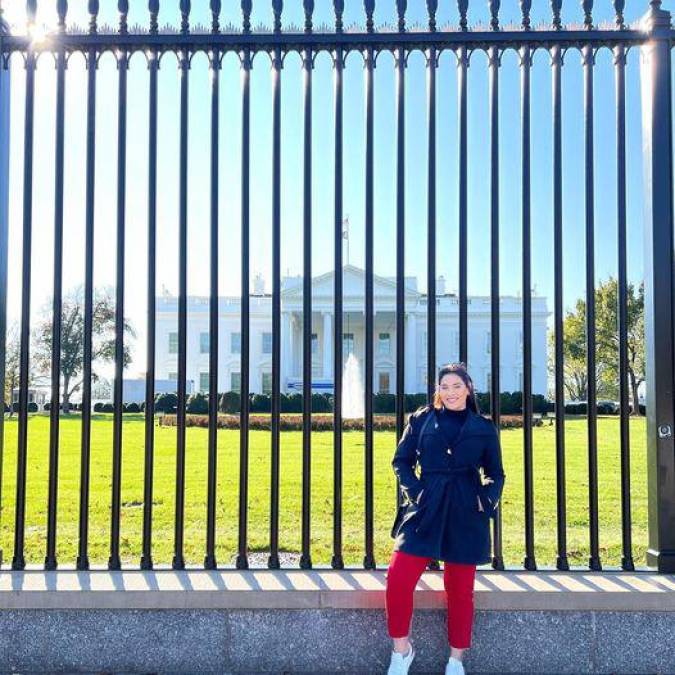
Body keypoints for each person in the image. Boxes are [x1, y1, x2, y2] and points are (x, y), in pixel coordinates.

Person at [384, 362, 505, 675]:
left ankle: (455, 661)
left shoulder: (483, 427)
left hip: (466, 506)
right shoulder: (422, 419)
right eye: (444, 386)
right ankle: (402, 651)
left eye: (456, 386)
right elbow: (402, 461)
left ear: (468, 388)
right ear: (438, 391)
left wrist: (485, 500)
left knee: (460, 588)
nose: (450, 392)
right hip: (428, 502)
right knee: (398, 577)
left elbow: (495, 473)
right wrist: (416, 492)